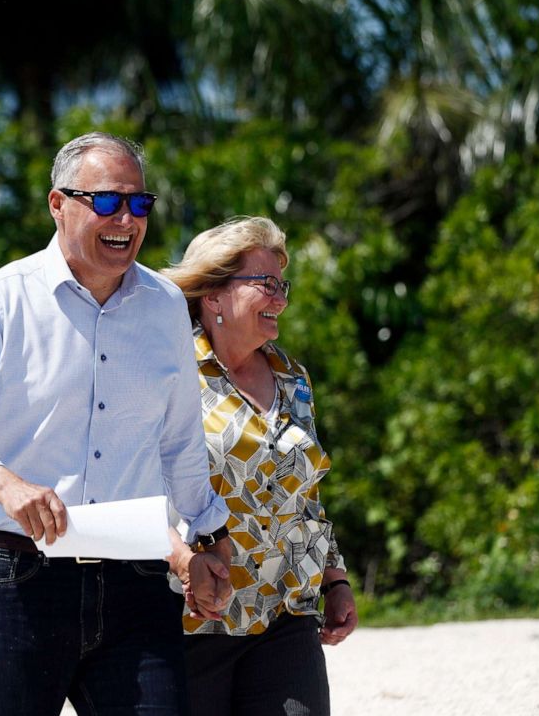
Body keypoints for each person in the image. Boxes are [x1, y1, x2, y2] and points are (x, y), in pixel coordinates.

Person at [0, 132, 233, 716]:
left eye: (139, 204)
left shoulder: (164, 306)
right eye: (107, 202)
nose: (126, 220)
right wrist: (4, 483)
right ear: (58, 204)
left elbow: (180, 443)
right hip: (14, 579)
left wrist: (208, 537)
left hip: (138, 583)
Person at [162, 216, 357, 716]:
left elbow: (305, 492)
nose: (281, 299)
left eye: (282, 285)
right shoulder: (170, 370)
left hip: (285, 611)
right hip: (193, 617)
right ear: (214, 296)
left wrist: (335, 578)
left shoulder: (293, 376)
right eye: (266, 284)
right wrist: (179, 559)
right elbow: (132, 486)